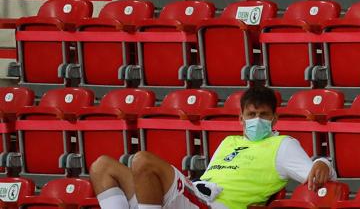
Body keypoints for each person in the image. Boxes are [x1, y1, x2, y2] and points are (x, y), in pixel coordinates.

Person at [89, 86, 334, 209]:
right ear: (240, 118)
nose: (257, 119)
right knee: (102, 166)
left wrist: (323, 163)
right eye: (251, 114)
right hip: (196, 195)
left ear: (274, 119)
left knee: (142, 160)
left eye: (263, 114)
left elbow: (317, 171)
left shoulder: (282, 145)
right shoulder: (229, 141)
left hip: (212, 205)